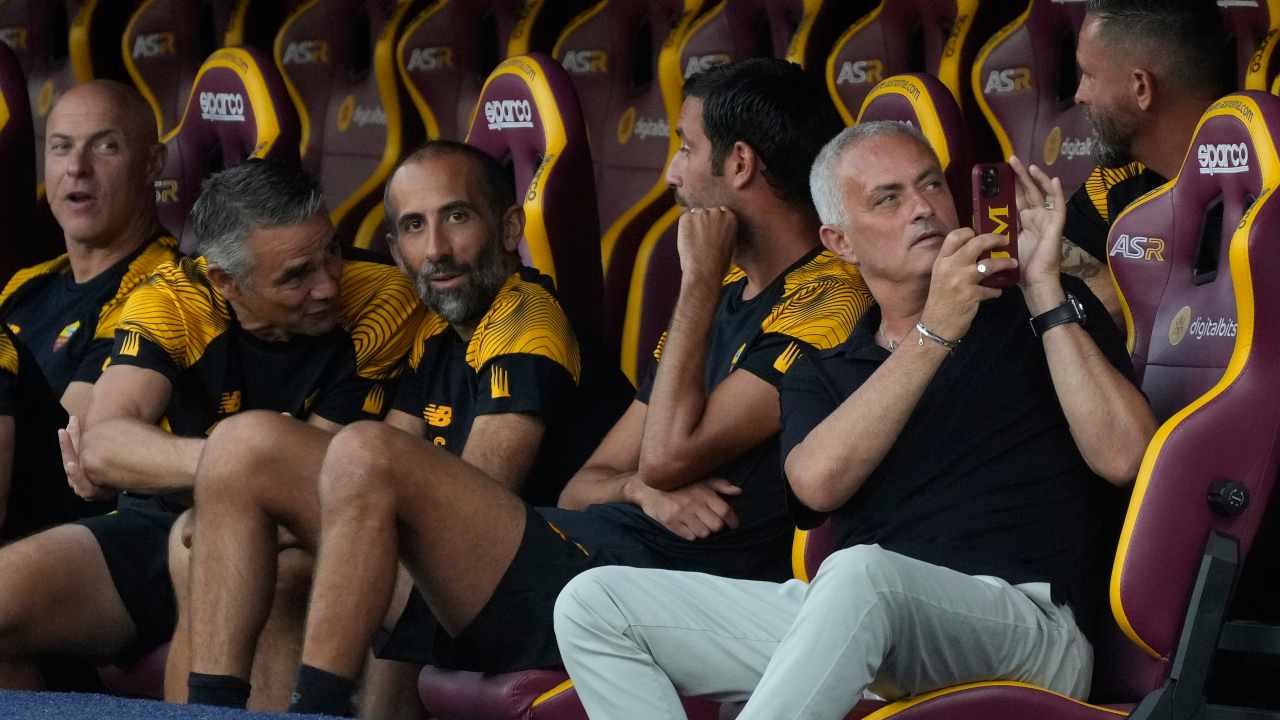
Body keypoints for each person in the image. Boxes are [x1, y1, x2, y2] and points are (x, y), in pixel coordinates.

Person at [278, 57, 871, 717]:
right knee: (264, 473)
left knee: (367, 453)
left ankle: (312, 714)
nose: (671, 173)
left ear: (738, 165)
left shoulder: (830, 295)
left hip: (667, 593)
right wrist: (640, 492)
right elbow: (587, 484)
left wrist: (696, 285)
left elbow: (667, 455)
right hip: (590, 553)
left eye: (684, 147)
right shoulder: (727, 292)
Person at [552, 122, 1158, 719]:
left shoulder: (1041, 312)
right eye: (888, 198)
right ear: (839, 241)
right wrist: (935, 331)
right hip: (862, 622)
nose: (922, 208)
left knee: (860, 575)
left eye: (931, 185)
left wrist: (1044, 288)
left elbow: (1126, 458)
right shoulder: (823, 369)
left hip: (1029, 628)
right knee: (594, 602)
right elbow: (816, 485)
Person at [181, 140, 630, 713]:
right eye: (415, 227)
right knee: (253, 480)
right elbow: (381, 464)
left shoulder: (527, 321)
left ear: (509, 227)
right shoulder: (439, 332)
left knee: (255, 447)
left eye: (457, 217)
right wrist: (268, 515)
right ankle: (211, 711)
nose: (436, 249)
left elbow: (467, 505)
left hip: (550, 593)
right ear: (395, 251)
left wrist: (283, 512)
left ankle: (309, 711)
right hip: (461, 589)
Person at [0, 159, 422, 692]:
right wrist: (239, 470)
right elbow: (103, 444)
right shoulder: (174, 296)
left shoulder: (379, 298)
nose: (326, 286)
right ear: (225, 280)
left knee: (227, 555)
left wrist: (231, 486)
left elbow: (312, 477)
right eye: (296, 275)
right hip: (158, 520)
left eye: (332, 252)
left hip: (291, 539)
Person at [0, 80, 179, 534]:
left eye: (105, 147)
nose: (77, 167)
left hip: (65, 524)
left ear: (152, 163)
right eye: (61, 147)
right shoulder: (28, 283)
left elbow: (67, 450)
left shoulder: (159, 286)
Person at [1063, 0, 1229, 321]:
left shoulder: (1264, 189)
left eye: (1089, 75)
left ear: (1141, 87)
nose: (1080, 95)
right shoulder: (1114, 183)